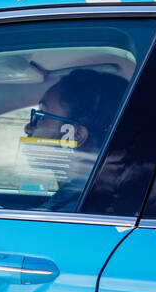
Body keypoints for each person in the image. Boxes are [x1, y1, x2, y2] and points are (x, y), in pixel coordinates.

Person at [22, 69, 130, 212]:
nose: (28, 128)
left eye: (41, 116)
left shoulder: (73, 210)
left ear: (76, 135)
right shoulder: (92, 199)